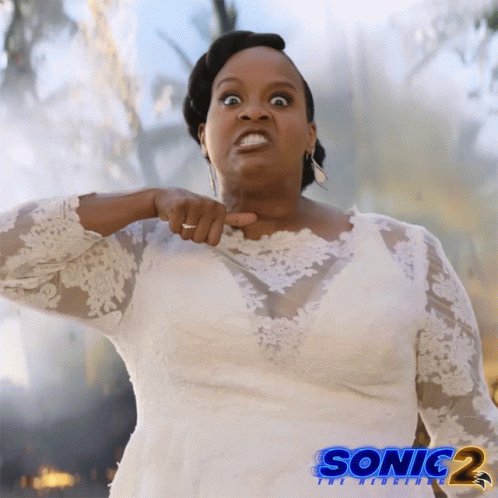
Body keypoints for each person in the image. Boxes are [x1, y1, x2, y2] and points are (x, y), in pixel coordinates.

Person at [0, 30, 496, 498]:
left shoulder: (405, 255)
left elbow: (472, 442)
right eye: (231, 99)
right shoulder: (146, 254)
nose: (254, 111)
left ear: (310, 136)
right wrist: (147, 200)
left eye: (279, 100)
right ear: (203, 136)